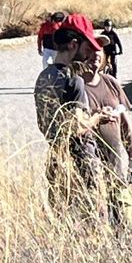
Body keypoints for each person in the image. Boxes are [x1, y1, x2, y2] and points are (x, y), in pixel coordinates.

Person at [32, 23, 104, 214]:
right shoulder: (74, 81)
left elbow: (44, 122)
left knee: (62, 217)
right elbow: (78, 127)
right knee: (92, 218)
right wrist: (97, 118)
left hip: (56, 159)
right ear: (73, 45)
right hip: (82, 160)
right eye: (86, 48)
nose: (88, 54)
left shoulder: (43, 77)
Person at [78, 46, 132, 230]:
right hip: (91, 168)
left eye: (99, 50)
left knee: (124, 220)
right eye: (91, 49)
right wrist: (97, 117)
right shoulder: (77, 87)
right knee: (97, 222)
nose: (96, 54)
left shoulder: (111, 82)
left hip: (116, 166)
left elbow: (125, 122)